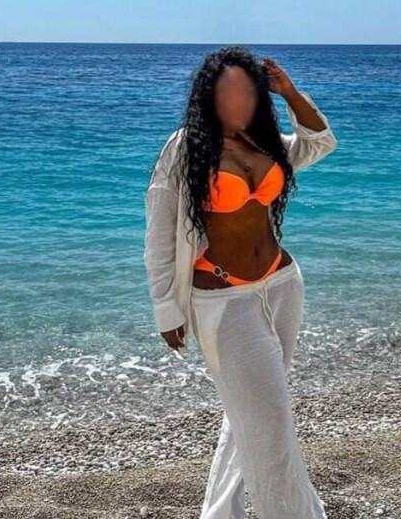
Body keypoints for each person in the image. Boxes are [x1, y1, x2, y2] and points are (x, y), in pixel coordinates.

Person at [144, 45, 338, 518]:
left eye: (249, 92)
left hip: (282, 285)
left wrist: (290, 92)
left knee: (250, 412)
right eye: (228, 92)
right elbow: (160, 234)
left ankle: (219, 513)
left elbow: (319, 142)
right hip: (224, 299)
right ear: (208, 95)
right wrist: (167, 309)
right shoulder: (185, 149)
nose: (240, 102)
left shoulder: (264, 141)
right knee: (270, 420)